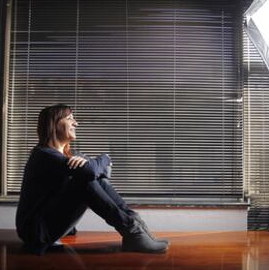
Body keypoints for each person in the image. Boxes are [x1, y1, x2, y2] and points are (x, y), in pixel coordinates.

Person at [15, 104, 169, 255]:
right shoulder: (44, 155)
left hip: (50, 226)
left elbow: (102, 172)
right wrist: (105, 158)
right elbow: (90, 171)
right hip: (36, 232)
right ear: (53, 124)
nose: (76, 123)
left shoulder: (71, 155)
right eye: (69, 119)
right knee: (84, 180)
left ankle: (137, 230)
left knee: (97, 180)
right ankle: (133, 233)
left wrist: (103, 161)